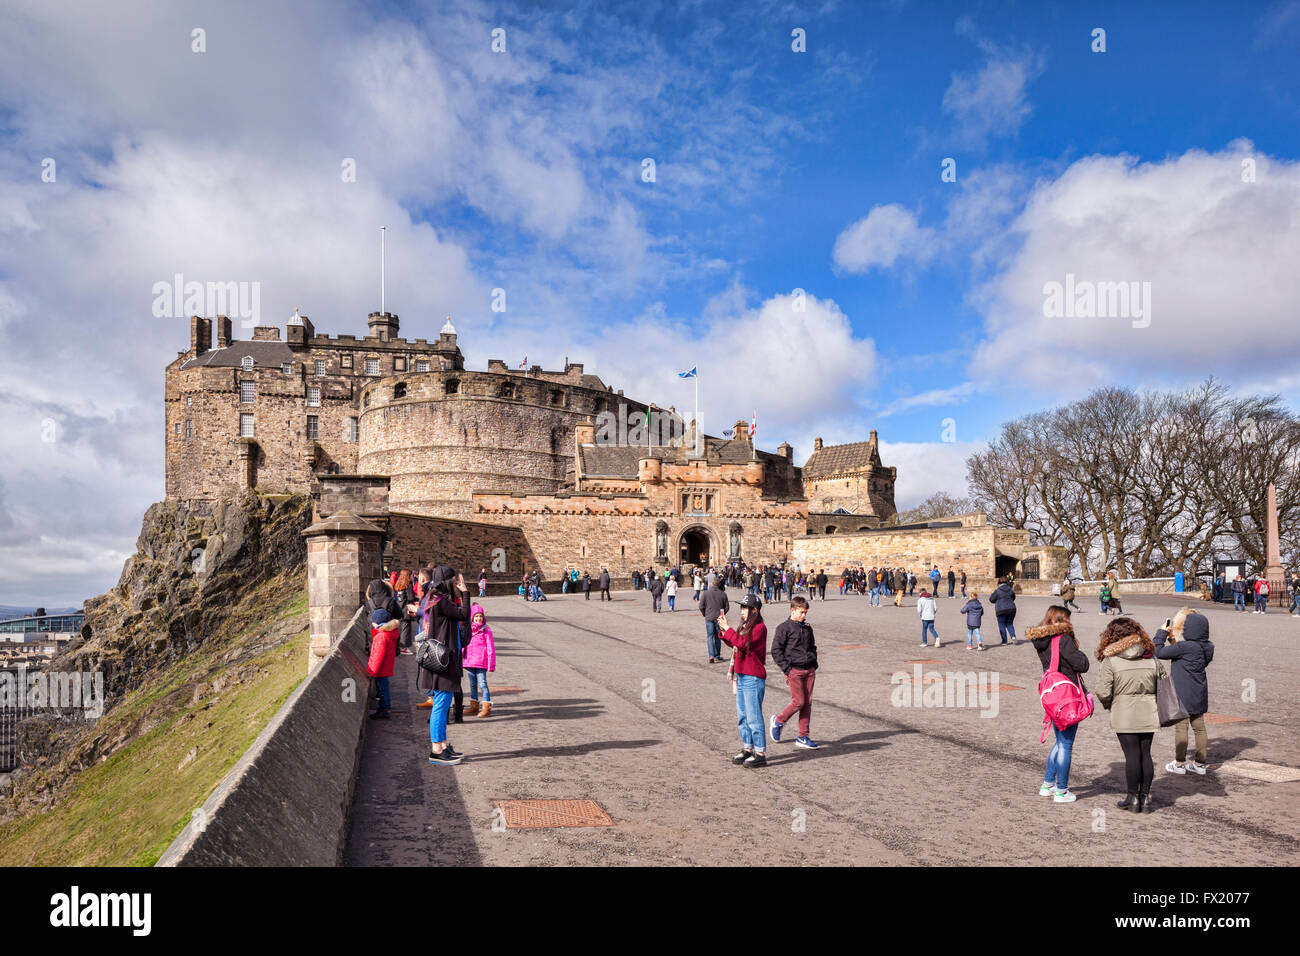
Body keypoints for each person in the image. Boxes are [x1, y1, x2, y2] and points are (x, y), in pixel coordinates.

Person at [1027, 606, 1090, 802]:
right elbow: (1082, 665)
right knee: (1066, 744)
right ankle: (1061, 790)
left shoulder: (1041, 640)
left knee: (1060, 741)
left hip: (1052, 696)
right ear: (1061, 619)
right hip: (1067, 696)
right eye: (1068, 619)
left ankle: (1048, 784)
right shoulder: (1063, 639)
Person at [417, 566, 472, 765]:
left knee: (442, 704)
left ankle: (443, 745)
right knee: (440, 706)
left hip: (444, 661)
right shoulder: (440, 602)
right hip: (443, 663)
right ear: (447, 582)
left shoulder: (436, 600)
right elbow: (465, 614)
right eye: (454, 581)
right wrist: (465, 592)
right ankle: (436, 749)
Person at [1154, 609, 1213, 775]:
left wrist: (1161, 634)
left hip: (1182, 692)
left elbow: (1157, 652)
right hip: (1199, 691)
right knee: (1199, 727)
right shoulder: (1207, 647)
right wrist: (1174, 641)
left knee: (1181, 727)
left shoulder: (1185, 647)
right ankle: (1200, 764)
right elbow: (1184, 655)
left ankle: (1179, 763)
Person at [719, 594, 769, 768]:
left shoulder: (760, 628)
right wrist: (725, 631)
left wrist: (728, 628)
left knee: (754, 717)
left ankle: (760, 752)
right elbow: (735, 643)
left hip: (753, 676)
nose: (742, 611)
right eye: (741, 607)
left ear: (754, 610)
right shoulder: (745, 626)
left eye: (745, 607)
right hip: (741, 674)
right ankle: (748, 747)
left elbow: (742, 644)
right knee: (743, 716)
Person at [769, 595, 819, 749]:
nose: (804, 615)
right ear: (793, 610)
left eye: (805, 613)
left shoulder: (807, 627)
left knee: (807, 703)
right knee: (799, 701)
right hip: (794, 670)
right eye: (801, 612)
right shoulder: (783, 628)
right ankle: (778, 721)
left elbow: (812, 646)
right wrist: (787, 669)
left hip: (809, 669)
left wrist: (813, 663)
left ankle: (803, 736)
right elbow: (776, 651)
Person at [463, 604, 496, 718]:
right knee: (472, 684)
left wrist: (491, 664)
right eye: (476, 616)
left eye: (480, 616)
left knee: (482, 684)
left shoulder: (486, 630)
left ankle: (486, 707)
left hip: (481, 662)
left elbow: (490, 648)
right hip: (469, 661)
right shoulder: (468, 630)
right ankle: (474, 706)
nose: (478, 618)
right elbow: (464, 645)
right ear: (472, 617)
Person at [367, 608, 399, 719]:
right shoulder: (389, 633)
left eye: (373, 621)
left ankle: (385, 709)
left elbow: (378, 656)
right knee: (384, 687)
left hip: (381, 669)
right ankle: (384, 708)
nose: (372, 623)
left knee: (382, 689)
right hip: (386, 667)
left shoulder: (381, 636)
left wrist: (373, 671)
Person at [699, 577, 730, 663]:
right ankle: (717, 655)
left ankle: (711, 655)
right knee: (718, 637)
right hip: (719, 617)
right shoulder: (723, 594)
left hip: (709, 617)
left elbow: (701, 606)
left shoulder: (706, 593)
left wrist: (705, 614)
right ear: (719, 585)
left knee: (710, 636)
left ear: (712, 584)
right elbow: (727, 607)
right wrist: (722, 615)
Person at [989, 576, 1018, 644]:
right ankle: (1013, 636)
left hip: (1001, 609)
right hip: (1012, 608)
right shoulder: (1010, 589)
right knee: (1009, 624)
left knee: (1001, 625)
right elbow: (1013, 598)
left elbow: (991, 599)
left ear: (999, 582)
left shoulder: (997, 590)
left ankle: (1004, 641)